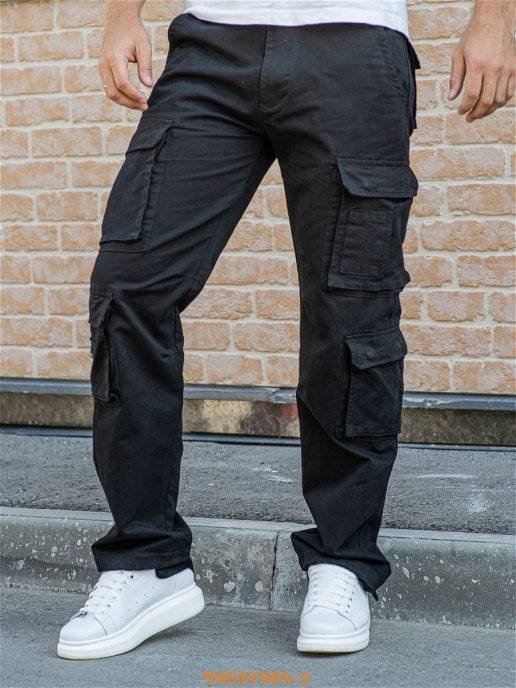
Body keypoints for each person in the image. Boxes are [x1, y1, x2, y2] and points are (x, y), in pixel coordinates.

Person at [57, 0, 515, 659]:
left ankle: (343, 560)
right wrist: (121, 16)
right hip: (211, 45)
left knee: (351, 312)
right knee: (129, 288)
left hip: (355, 43)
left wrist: (495, 18)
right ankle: (145, 560)